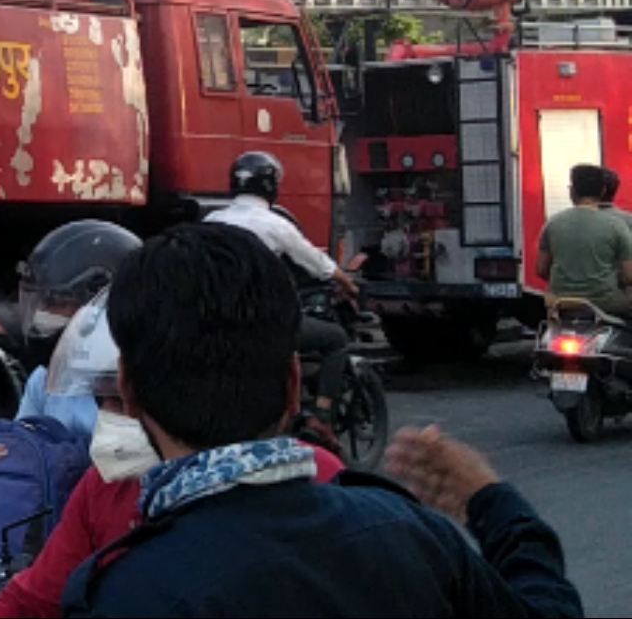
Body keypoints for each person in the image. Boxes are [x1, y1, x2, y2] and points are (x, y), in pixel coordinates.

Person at [61, 223, 582, 617]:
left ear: (127, 391)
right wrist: (493, 502)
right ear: (293, 382)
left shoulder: (119, 591)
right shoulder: (409, 535)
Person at [0, 286, 344, 619]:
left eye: (120, 401)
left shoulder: (315, 477)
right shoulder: (105, 487)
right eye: (100, 400)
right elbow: (31, 600)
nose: (110, 418)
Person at [0, 220, 141, 549]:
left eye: (56, 303)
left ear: (102, 306)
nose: (43, 316)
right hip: (51, 544)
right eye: (41, 303)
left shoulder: (148, 386)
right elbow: (10, 466)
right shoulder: (43, 381)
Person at [205, 151, 357, 430]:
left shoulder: (211, 220)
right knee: (335, 339)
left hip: (218, 322)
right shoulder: (275, 224)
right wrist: (348, 282)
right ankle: (321, 416)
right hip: (263, 323)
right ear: (271, 186)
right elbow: (317, 262)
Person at [536, 163, 632, 318]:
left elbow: (541, 269)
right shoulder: (616, 225)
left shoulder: (553, 223)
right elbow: (629, 276)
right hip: (606, 303)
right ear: (602, 191)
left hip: (560, 302)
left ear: (572, 191)